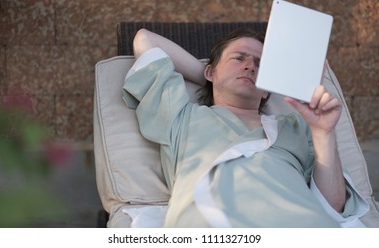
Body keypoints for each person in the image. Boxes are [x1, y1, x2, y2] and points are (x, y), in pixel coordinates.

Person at [122, 28, 368, 227]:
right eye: (239, 59)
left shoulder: (296, 127)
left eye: (260, 65)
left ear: (267, 90)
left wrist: (324, 133)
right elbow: (145, 39)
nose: (250, 66)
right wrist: (213, 80)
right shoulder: (180, 117)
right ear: (209, 71)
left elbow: (334, 206)